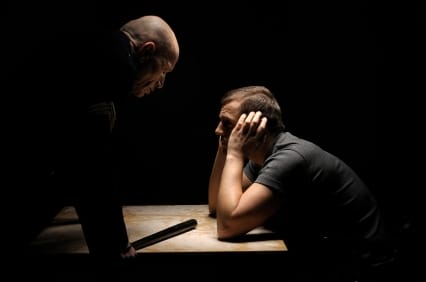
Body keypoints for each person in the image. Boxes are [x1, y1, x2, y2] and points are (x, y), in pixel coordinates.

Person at [10, 15, 179, 265]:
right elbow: (92, 164)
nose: (161, 83)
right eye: (163, 69)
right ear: (147, 51)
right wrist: (115, 245)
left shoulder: (87, 47)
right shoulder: (117, 64)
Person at [208, 85, 395, 281]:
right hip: (334, 256)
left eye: (226, 124)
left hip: (367, 266)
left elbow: (227, 227)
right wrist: (225, 148)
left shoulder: (290, 158)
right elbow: (216, 206)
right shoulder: (264, 156)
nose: (217, 130)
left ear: (255, 127)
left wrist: (235, 153)